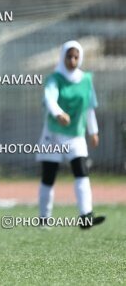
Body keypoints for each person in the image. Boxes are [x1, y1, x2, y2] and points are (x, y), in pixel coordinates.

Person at [36, 40, 105, 229]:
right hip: (54, 133)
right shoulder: (54, 78)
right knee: (49, 176)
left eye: (76, 57)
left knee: (82, 172)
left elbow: (89, 108)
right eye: (69, 56)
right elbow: (50, 98)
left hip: (76, 135)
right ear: (63, 57)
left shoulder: (86, 80)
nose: (72, 60)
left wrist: (94, 131)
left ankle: (86, 216)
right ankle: (44, 218)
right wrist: (59, 113)